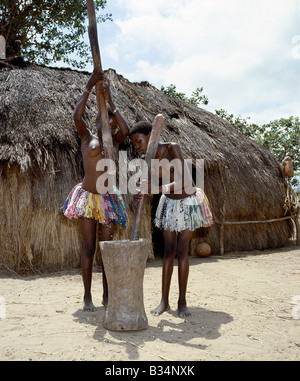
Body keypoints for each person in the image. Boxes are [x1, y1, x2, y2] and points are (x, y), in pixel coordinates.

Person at [129, 121, 213, 318]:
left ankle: (182, 301)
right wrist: (141, 194)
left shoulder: (172, 148)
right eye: (134, 144)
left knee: (182, 251)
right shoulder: (146, 159)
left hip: (189, 201)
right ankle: (164, 301)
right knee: (168, 251)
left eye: (139, 141)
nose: (137, 146)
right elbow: (148, 185)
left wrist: (157, 190)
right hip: (170, 204)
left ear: (151, 136)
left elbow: (186, 180)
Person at [62, 70, 129, 311]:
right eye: (104, 119)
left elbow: (126, 129)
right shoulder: (86, 137)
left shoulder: (116, 141)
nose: (107, 124)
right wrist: (89, 86)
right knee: (89, 248)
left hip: (108, 199)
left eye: (110, 122)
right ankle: (87, 296)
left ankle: (107, 296)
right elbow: (77, 116)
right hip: (88, 199)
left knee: (107, 250)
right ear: (98, 120)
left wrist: (111, 102)